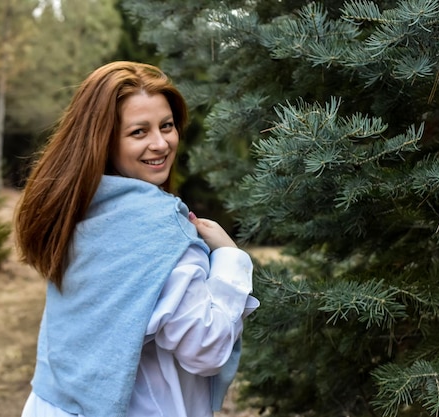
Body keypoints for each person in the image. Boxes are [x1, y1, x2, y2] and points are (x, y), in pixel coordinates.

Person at [15, 61, 259, 417]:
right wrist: (229, 257)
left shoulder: (76, 208)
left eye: (167, 126)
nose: (160, 144)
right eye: (138, 132)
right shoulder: (161, 233)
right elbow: (206, 349)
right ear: (104, 139)